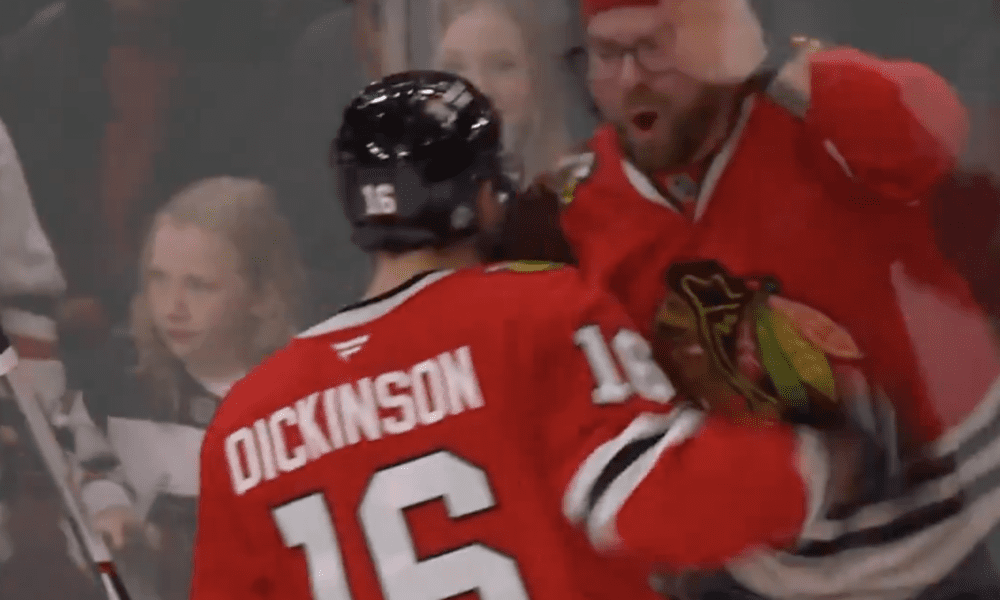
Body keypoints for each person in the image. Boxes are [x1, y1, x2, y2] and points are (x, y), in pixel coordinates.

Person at [188, 70, 852, 600]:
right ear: (484, 193)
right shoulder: (535, 314)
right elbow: (658, 501)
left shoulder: (246, 420)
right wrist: (822, 460)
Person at [499, 0, 1000, 597]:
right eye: (609, 53)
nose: (629, 78)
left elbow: (935, 131)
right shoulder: (579, 206)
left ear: (718, 43)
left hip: (970, 528)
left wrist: (817, 74)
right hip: (771, 569)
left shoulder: (818, 121)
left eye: (654, 48)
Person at [73, 176, 306, 600]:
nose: (172, 305)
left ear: (261, 295)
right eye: (159, 279)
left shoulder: (301, 401)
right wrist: (110, 505)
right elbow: (81, 461)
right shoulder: (115, 383)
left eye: (198, 285)